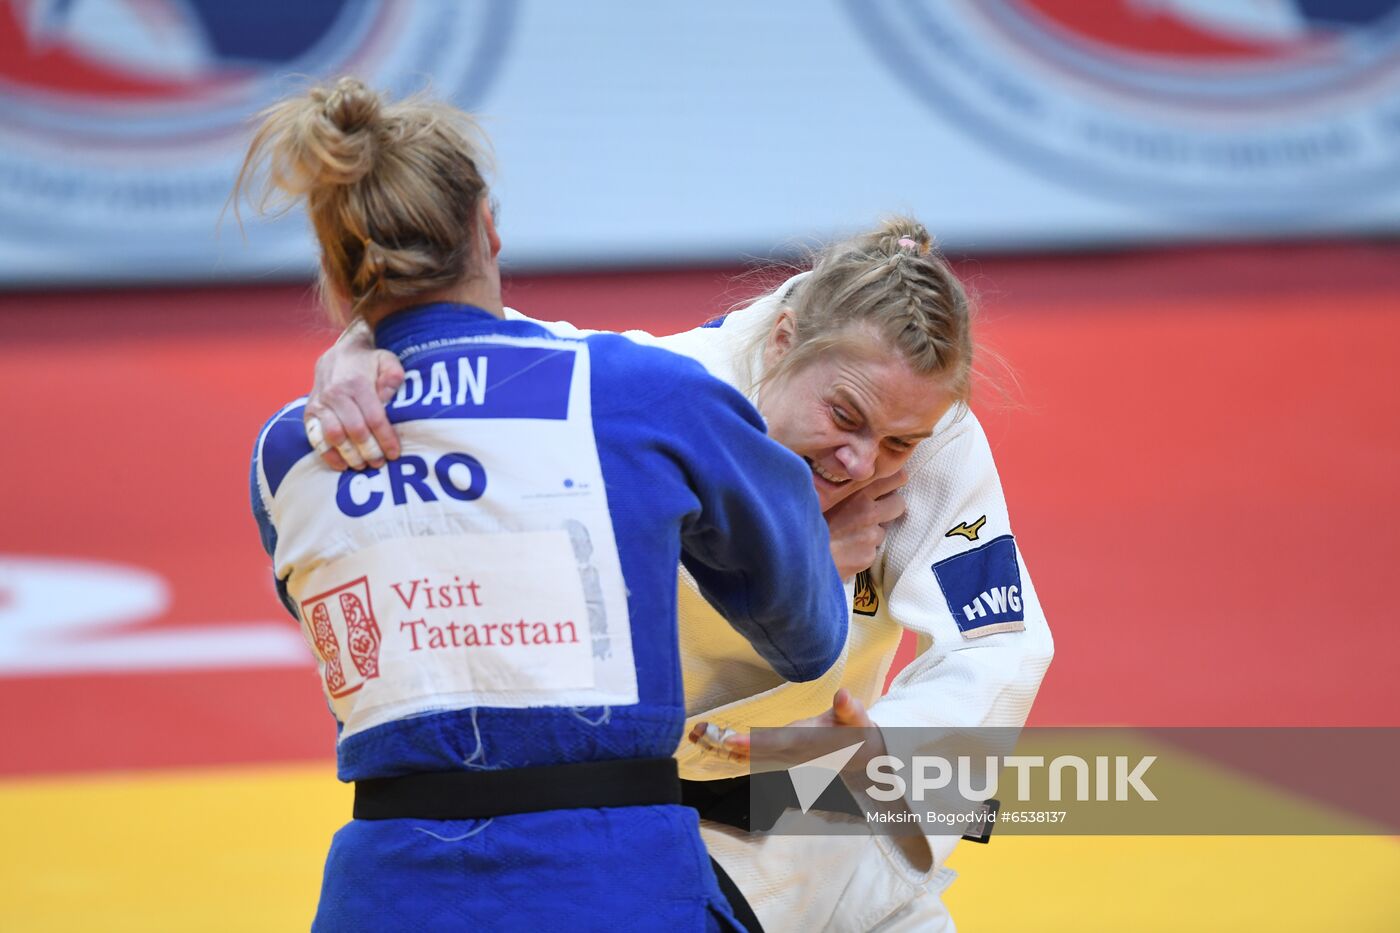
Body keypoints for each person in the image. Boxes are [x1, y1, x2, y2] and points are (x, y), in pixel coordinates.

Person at [308, 218, 1055, 931]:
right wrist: (366, 344)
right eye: (844, 415)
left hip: (836, 816)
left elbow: (1000, 644)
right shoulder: (658, 390)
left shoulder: (930, 429)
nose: (861, 461)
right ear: (783, 342)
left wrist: (879, 751)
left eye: (896, 442)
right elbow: (493, 351)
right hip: (656, 829)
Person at [242, 77, 850, 931]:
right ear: (487, 226)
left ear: (334, 273)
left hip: (381, 893)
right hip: (613, 885)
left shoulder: (286, 456)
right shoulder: (646, 397)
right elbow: (809, 636)